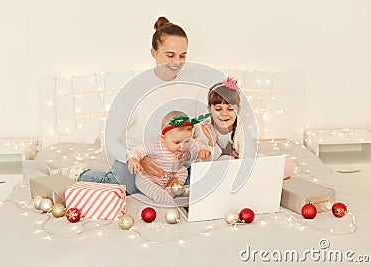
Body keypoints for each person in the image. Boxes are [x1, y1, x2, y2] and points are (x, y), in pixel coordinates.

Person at [77, 16, 206, 194]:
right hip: (137, 160)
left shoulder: (191, 89)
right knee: (124, 187)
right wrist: (138, 159)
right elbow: (110, 140)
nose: (177, 61)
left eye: (182, 55)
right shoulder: (134, 90)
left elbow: (197, 138)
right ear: (154, 52)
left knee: (199, 183)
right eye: (170, 55)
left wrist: (187, 155)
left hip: (173, 166)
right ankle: (81, 173)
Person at [127, 111, 210, 203]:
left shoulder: (186, 143)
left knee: (183, 171)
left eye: (186, 141)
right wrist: (134, 158)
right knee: (143, 181)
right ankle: (159, 194)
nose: (182, 146)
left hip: (171, 176)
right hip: (151, 177)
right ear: (163, 139)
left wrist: (202, 149)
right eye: (177, 143)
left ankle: (170, 190)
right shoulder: (155, 146)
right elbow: (138, 150)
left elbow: (196, 144)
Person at [197, 77, 246, 160]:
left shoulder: (242, 132)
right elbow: (207, 162)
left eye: (230, 109)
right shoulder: (205, 129)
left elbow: (245, 160)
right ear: (209, 109)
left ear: (238, 110)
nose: (224, 114)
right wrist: (211, 140)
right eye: (218, 109)